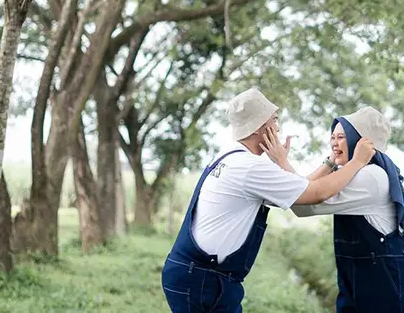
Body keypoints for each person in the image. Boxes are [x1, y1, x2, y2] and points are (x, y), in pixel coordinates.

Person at [161, 88, 376, 313]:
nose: (278, 126)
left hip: (191, 273)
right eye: (274, 119)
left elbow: (298, 188)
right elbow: (314, 194)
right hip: (204, 280)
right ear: (259, 127)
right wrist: (357, 162)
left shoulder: (231, 157)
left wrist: (329, 162)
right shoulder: (250, 168)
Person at [263, 106, 404, 313]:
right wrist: (331, 162)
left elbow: (304, 205)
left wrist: (282, 161)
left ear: (361, 140)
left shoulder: (371, 176)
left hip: (383, 284)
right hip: (358, 281)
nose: (334, 143)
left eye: (342, 137)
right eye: (332, 137)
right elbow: (305, 191)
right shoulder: (354, 172)